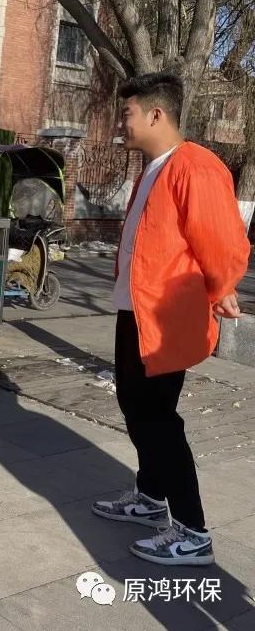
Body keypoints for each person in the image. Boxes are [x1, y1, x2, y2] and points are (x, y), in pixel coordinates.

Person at [91, 71, 250, 566]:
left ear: (156, 114)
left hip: (161, 315)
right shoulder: (155, 167)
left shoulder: (194, 167)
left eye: (128, 112)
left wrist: (221, 288)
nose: (123, 121)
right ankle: (150, 495)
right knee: (136, 407)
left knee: (158, 418)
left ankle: (193, 530)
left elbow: (223, 242)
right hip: (134, 308)